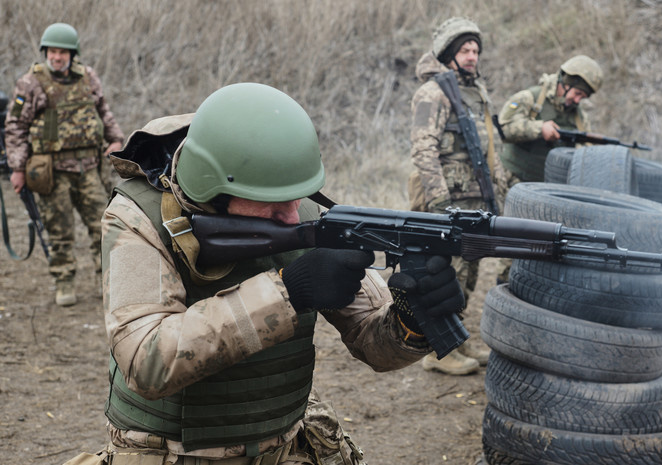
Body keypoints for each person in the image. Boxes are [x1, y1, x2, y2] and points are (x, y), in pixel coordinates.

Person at [62, 82, 465, 465]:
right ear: (213, 188)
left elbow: (373, 341)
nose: (292, 216)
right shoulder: (138, 218)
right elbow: (146, 361)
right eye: (272, 204)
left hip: (283, 447)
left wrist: (411, 321)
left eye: (296, 198)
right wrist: (289, 292)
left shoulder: (295, 207)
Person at [408, 17, 507, 375]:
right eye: (464, 50)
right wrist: (438, 202)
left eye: (476, 50)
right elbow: (423, 150)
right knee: (446, 275)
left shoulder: (474, 90)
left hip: (476, 199)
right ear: (449, 53)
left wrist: (499, 189)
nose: (472, 56)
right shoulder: (433, 93)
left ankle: (459, 338)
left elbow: (488, 147)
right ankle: (441, 350)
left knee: (469, 274)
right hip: (449, 202)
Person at [4, 22, 124, 306]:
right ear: (46, 52)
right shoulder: (29, 84)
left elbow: (103, 111)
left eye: (63, 52)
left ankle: (108, 283)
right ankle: (64, 281)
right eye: (52, 52)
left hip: (88, 168)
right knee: (59, 232)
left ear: (73, 54)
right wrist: (18, 168)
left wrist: (115, 139)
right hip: (51, 172)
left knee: (104, 227)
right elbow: (14, 127)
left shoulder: (88, 77)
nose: (57, 57)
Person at [497, 54, 603, 184]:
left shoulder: (580, 118)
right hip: (512, 181)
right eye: (577, 93)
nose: (577, 100)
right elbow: (503, 129)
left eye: (583, 97)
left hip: (547, 189)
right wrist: (539, 129)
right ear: (566, 83)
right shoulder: (530, 98)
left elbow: (586, 153)